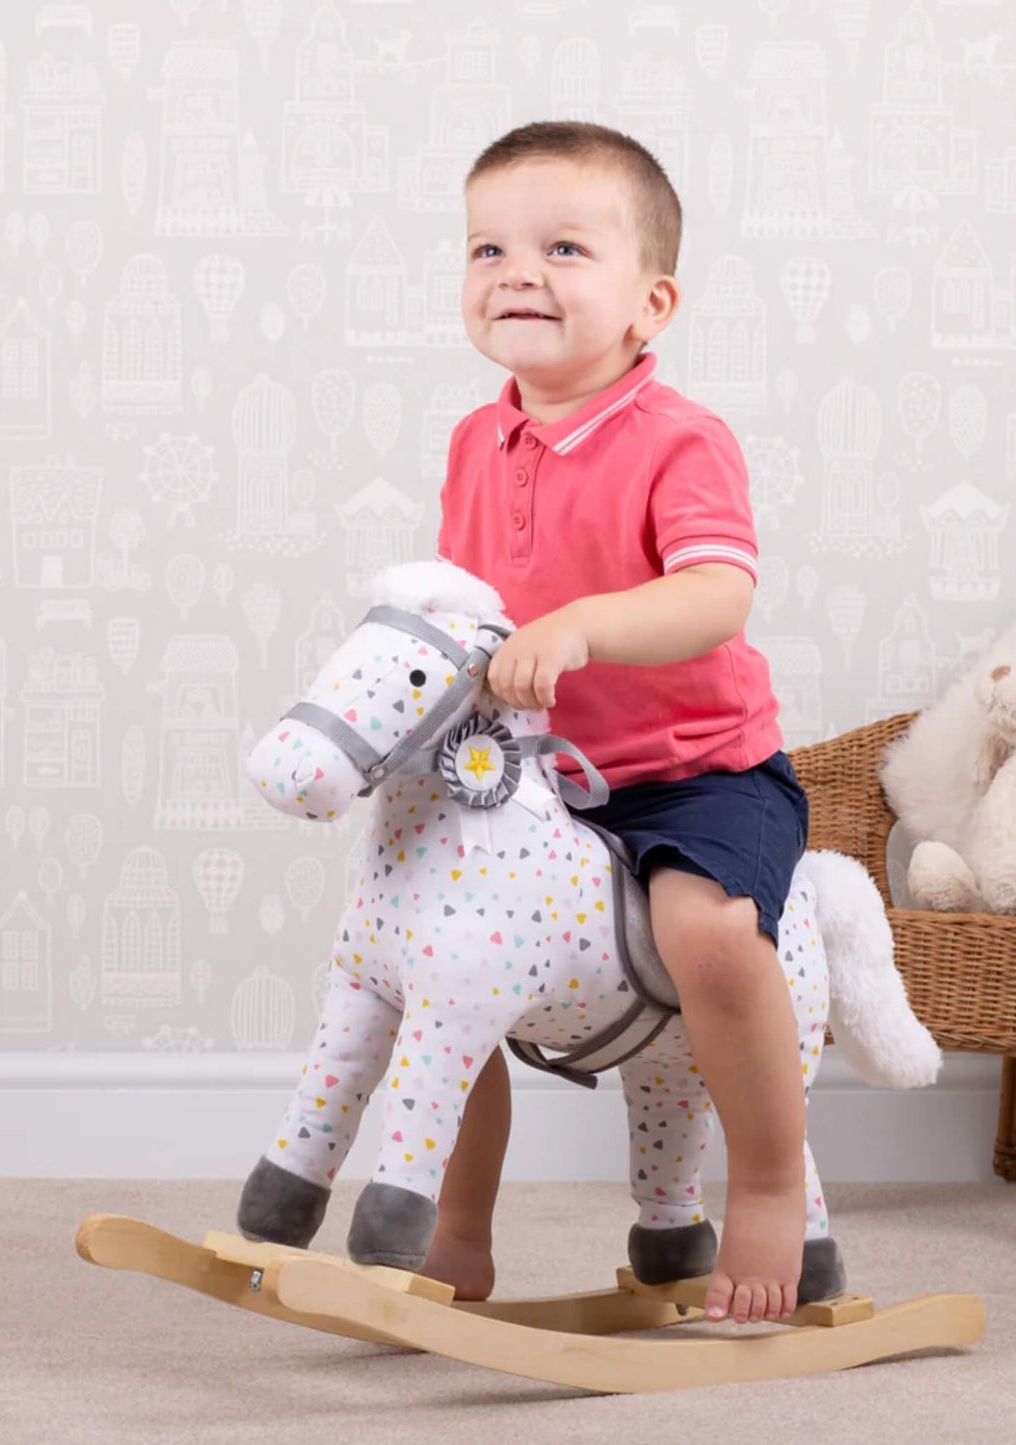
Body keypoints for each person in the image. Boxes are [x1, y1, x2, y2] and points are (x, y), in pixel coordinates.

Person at [423, 120, 811, 1327]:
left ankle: (762, 1186)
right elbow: (461, 605)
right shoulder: (476, 439)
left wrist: (586, 623)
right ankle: (448, 1229)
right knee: (441, 958)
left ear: (651, 304)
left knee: (704, 932)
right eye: (488, 246)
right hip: (538, 776)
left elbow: (716, 593)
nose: (516, 272)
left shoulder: (678, 439)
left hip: (692, 773)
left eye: (562, 248)